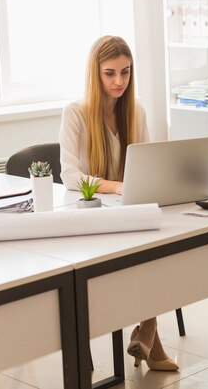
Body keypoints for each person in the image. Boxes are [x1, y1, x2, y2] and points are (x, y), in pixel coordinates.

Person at [59, 35, 178, 372]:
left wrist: (137, 189)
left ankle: (148, 329)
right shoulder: (76, 114)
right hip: (89, 216)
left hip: (127, 211)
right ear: (95, 74)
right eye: (110, 73)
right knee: (144, 250)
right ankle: (151, 339)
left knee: (163, 243)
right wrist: (117, 187)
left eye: (125, 72)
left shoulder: (135, 111)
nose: (119, 81)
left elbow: (150, 163)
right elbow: (69, 176)